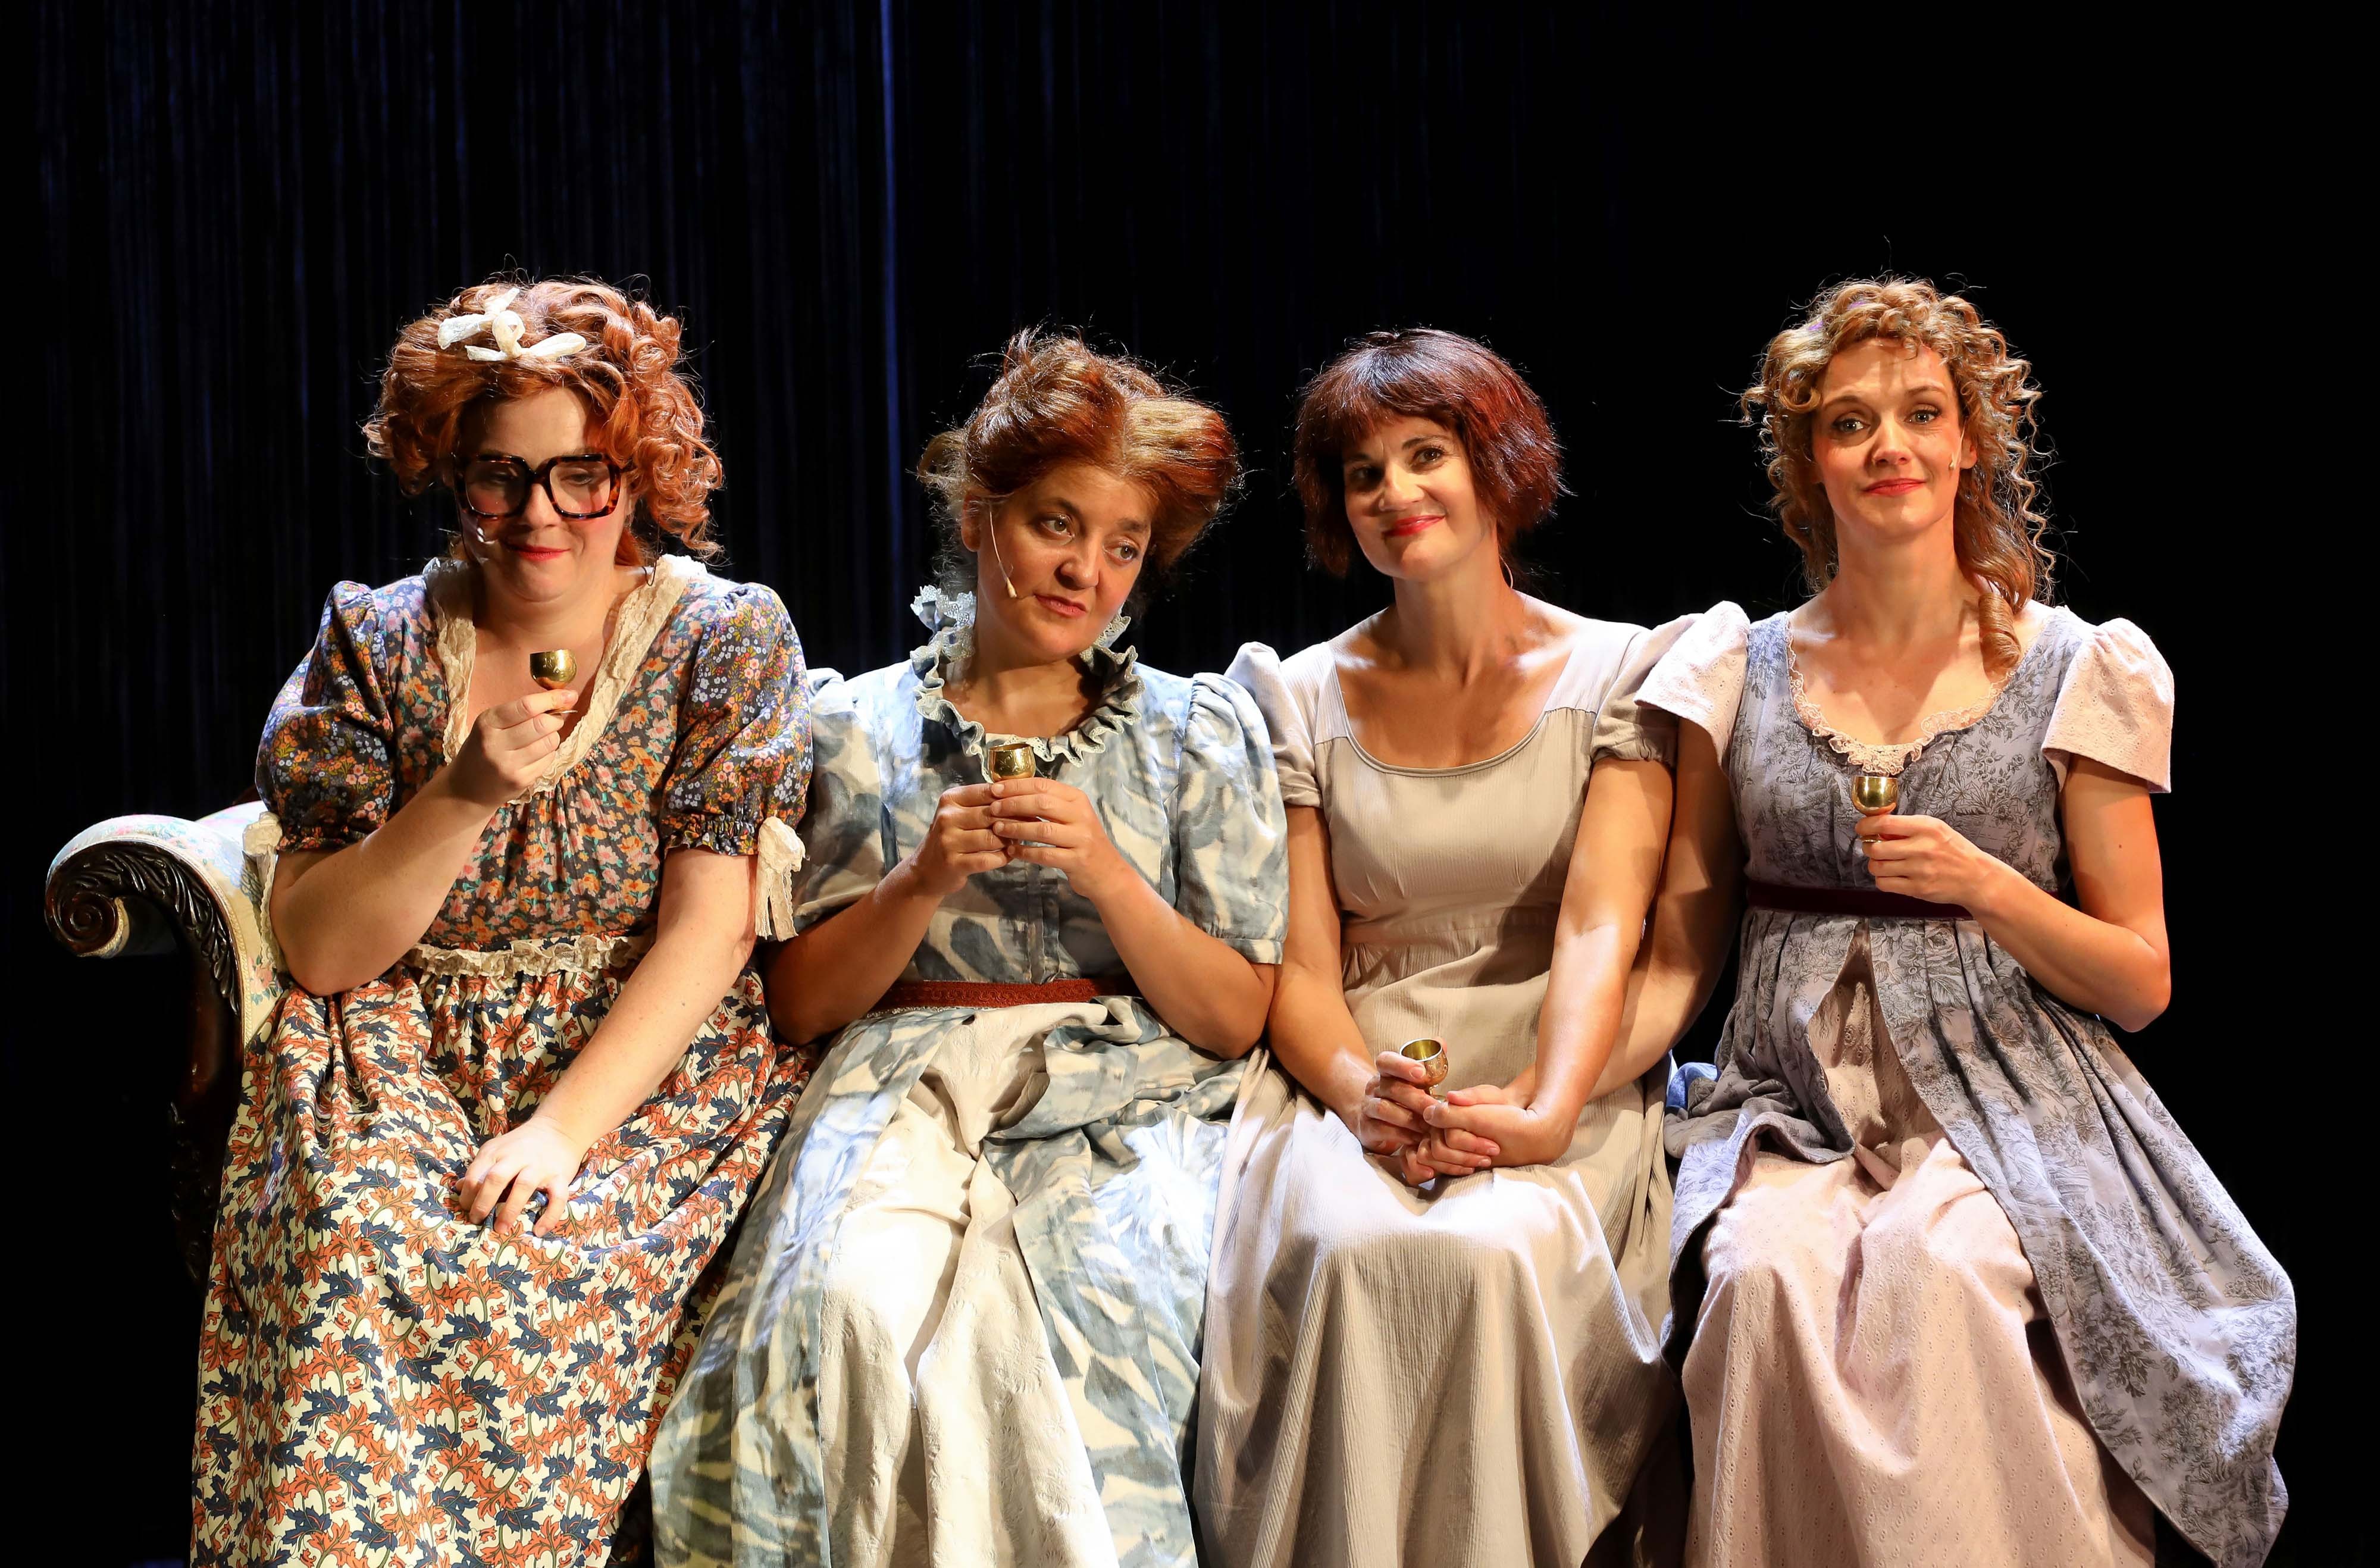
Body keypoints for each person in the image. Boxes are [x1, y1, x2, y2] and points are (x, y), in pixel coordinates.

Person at [1643, 278, 2294, 1568]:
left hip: (2008, 1090)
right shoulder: (1735, 666)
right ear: (1809, 461)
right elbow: (1682, 937)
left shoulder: (2072, 666)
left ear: (1968, 445)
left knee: (1945, 1276)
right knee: (1756, 1277)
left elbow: (2140, 977)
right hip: (1792, 1095)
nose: (1887, 444)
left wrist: (1984, 884)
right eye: (1849, 422)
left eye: (1921, 414)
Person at [192, 278, 815, 1565]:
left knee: (551, 1263)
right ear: (452, 473)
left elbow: (710, 933)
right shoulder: (375, 641)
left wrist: (561, 1131)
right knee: (364, 1239)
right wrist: (461, 794)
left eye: (581, 475)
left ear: (637, 475)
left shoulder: (721, 640)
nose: (539, 515)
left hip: (640, 1063)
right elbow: (321, 950)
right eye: (501, 477)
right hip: (398, 1047)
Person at [649, 330, 1288, 1568]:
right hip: (898, 1084)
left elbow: (1233, 1014)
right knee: (836, 1312)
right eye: (1058, 525)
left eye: (1124, 546)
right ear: (979, 517)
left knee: (1084, 1316)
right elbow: (799, 1004)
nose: (1087, 571)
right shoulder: (849, 727)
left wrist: (1109, 874)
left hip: (1121, 1091)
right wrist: (919, 879)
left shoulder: (1194, 732)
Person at [1196, 329, 1687, 1568]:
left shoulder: (1619, 671)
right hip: (1354, 1073)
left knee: (1492, 1256)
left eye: (1426, 455)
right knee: (1354, 1251)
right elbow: (1299, 965)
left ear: (1496, 467)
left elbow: (1601, 924)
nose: (1394, 492)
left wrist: (1544, 1107)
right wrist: (1363, 1097)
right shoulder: (1296, 693)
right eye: (1362, 473)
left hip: (1557, 1061)